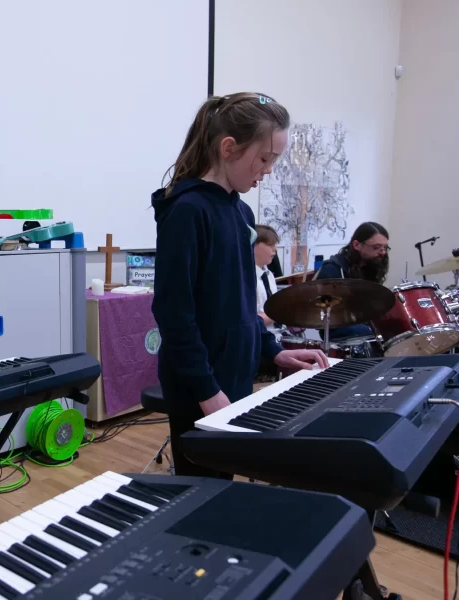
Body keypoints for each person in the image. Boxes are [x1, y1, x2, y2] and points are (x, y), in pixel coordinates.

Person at [151, 92, 329, 478]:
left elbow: (242, 302)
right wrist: (206, 391)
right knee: (199, 493)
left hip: (233, 370)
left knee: (224, 481)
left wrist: (272, 350)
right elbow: (173, 313)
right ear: (228, 148)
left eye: (273, 161)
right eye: (263, 159)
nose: (267, 170)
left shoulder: (241, 211)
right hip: (198, 382)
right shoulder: (187, 211)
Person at [313, 221, 390, 340]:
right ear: (357, 245)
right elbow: (323, 312)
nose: (383, 253)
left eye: (385, 248)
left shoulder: (371, 267)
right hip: (339, 328)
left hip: (363, 322)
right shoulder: (333, 269)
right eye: (376, 247)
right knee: (369, 332)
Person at [254, 224, 282, 336]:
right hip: (259, 338)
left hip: (277, 335)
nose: (275, 249)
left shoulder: (269, 274)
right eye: (270, 245)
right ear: (254, 246)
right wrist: (280, 314)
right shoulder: (246, 278)